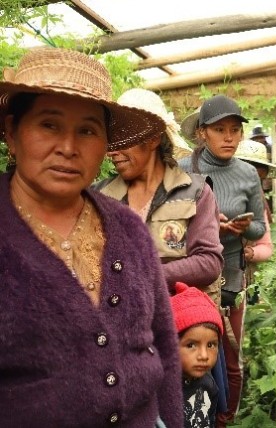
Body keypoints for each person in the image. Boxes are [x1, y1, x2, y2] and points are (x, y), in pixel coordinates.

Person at [0, 47, 183, 427]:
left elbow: (164, 343)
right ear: (12, 134)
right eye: (49, 125)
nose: (68, 148)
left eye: (87, 130)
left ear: (104, 146)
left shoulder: (129, 229)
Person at [179, 94, 266, 427]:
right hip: (191, 272)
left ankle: (224, 417)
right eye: (220, 130)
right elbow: (168, 220)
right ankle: (189, 414)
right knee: (190, 350)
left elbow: (259, 226)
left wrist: (244, 228)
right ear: (203, 133)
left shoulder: (247, 174)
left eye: (234, 130)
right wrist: (206, 221)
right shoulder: (184, 170)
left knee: (230, 355)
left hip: (230, 273)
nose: (229, 137)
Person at [93, 88, 224, 301]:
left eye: (124, 138)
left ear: (153, 139)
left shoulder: (194, 192)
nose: (112, 151)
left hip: (176, 319)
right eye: (112, 139)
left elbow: (209, 262)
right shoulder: (99, 196)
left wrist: (145, 275)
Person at [234, 139, 276, 304]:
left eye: (256, 179)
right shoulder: (212, 196)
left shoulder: (258, 208)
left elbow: (267, 247)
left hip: (246, 280)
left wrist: (252, 253)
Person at [171, 281, 224, 428]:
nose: (204, 355)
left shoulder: (209, 384)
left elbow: (210, 420)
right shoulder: (159, 388)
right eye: (191, 345)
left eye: (211, 345)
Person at [249, 125, 274, 211]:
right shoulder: (250, 149)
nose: (259, 140)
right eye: (257, 138)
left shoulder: (270, 148)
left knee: (268, 196)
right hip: (253, 175)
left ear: (264, 138)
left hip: (266, 175)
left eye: (261, 138)